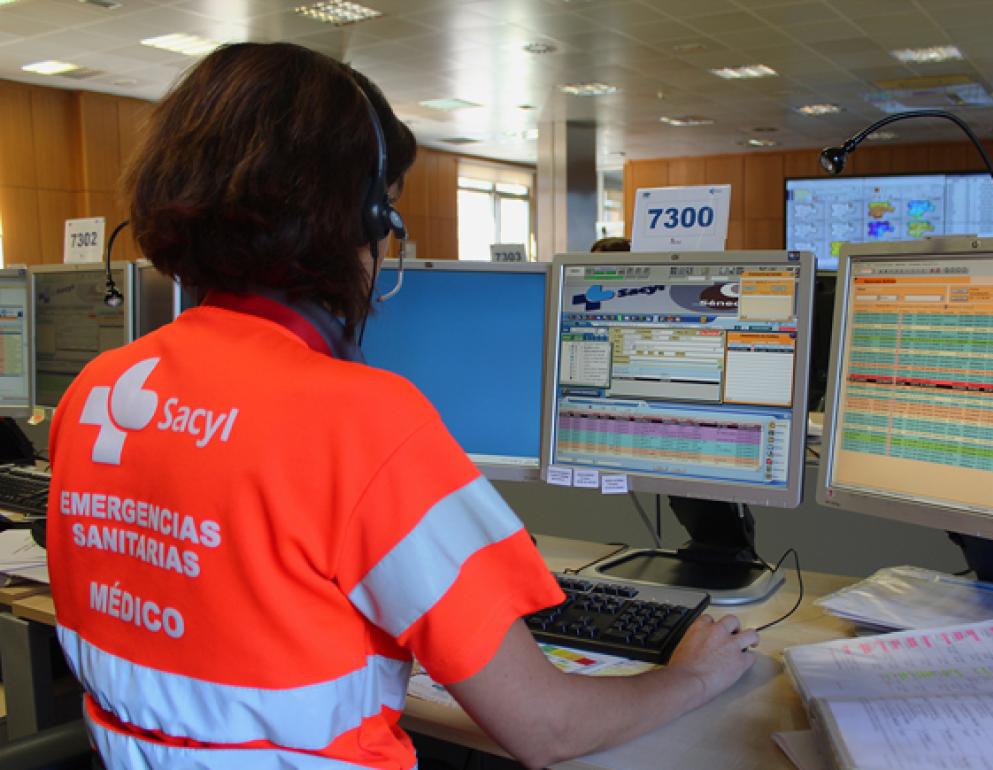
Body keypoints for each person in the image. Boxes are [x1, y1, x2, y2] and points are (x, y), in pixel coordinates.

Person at [46, 43, 757, 770]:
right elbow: (548, 728)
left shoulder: (98, 390)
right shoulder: (356, 419)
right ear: (360, 214)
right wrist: (693, 675)